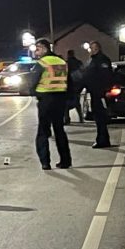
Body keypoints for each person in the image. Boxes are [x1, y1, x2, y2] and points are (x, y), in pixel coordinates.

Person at [30, 38, 72, 169]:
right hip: (60, 100)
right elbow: (69, 82)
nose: (36, 52)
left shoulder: (42, 63)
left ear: (44, 48)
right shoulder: (62, 62)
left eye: (38, 49)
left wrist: (34, 93)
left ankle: (45, 162)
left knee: (43, 131)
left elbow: (33, 83)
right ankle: (65, 161)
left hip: (46, 100)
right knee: (59, 130)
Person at [83, 41, 113, 148]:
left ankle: (103, 140)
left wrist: (104, 91)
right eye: (91, 48)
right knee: (98, 117)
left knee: (100, 117)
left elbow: (106, 76)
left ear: (98, 48)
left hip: (100, 93)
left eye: (93, 48)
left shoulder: (102, 60)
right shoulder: (93, 60)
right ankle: (102, 139)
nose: (92, 50)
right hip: (95, 93)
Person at [63, 50, 84, 125]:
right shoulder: (79, 62)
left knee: (65, 104)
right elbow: (82, 72)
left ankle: (67, 119)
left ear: (68, 55)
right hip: (78, 86)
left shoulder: (66, 63)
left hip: (69, 85)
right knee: (77, 103)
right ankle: (81, 118)